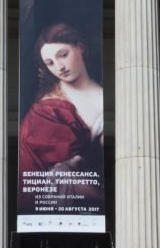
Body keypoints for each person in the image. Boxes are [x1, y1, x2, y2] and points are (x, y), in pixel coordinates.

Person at [18, 23, 105, 209]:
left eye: (63, 55)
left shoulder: (106, 97)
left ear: (80, 47)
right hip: (50, 196)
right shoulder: (48, 107)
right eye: (50, 63)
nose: (59, 67)